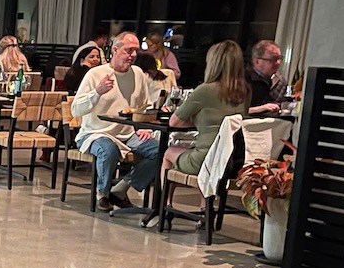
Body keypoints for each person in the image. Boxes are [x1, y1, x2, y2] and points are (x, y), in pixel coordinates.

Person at [69, 30, 161, 211]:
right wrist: (97, 93)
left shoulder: (138, 74)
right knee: (108, 150)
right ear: (115, 50)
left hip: (128, 133)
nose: (133, 55)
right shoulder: (95, 74)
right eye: (128, 50)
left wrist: (145, 127)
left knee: (160, 150)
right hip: (96, 133)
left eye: (136, 51)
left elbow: (146, 107)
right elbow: (76, 109)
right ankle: (102, 194)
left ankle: (121, 188)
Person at [162, 40, 250, 181]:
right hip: (232, 161)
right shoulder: (245, 91)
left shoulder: (205, 90)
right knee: (185, 150)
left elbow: (174, 122)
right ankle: (204, 203)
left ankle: (164, 202)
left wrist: (196, 121)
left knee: (169, 153)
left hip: (206, 160)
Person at [245, 40, 287, 111]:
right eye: (273, 59)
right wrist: (261, 108)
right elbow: (235, 111)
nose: (278, 63)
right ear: (257, 61)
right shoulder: (243, 79)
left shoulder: (280, 81)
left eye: (279, 58)